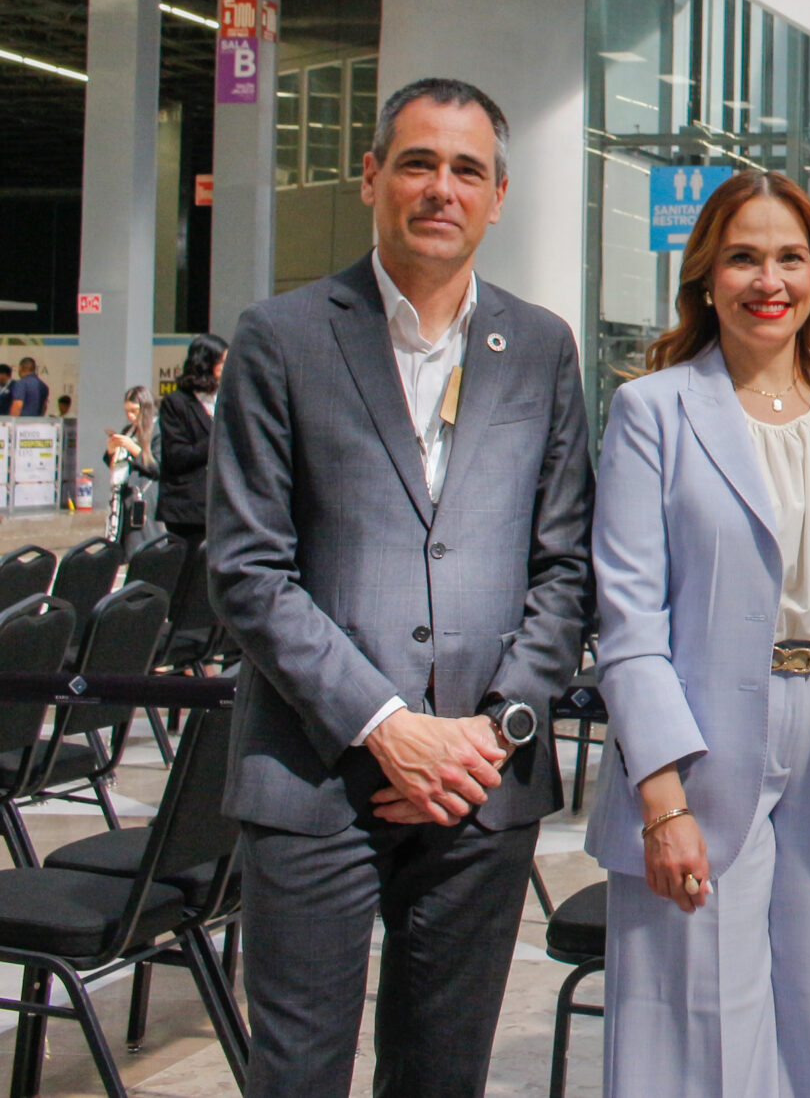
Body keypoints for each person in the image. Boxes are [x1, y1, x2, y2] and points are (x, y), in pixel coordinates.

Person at [207, 77, 594, 1098]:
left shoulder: (540, 347)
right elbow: (247, 567)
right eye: (418, 162)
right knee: (298, 1072)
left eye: (467, 169)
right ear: (372, 175)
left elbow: (565, 565)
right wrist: (387, 725)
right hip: (313, 774)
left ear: (498, 196)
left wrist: (493, 730)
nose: (440, 188)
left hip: (480, 783)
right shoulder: (281, 336)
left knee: (441, 1075)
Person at [589, 169, 810, 1097]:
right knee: (698, 1027)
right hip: (698, 746)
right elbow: (629, 620)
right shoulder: (652, 410)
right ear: (706, 277)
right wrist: (662, 802)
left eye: (790, 258)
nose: (768, 280)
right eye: (743, 257)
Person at [153, 335, 227, 542]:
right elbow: (177, 455)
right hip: (187, 508)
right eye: (222, 361)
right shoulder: (176, 403)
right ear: (205, 362)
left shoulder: (227, 399)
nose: (226, 367)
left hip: (222, 506)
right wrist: (219, 436)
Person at [102, 385, 158, 549]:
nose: (130, 416)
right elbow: (116, 464)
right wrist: (112, 450)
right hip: (124, 496)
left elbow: (157, 468)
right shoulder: (129, 430)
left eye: (134, 411)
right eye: (127, 411)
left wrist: (133, 448)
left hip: (145, 497)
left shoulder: (157, 430)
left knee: (141, 547)